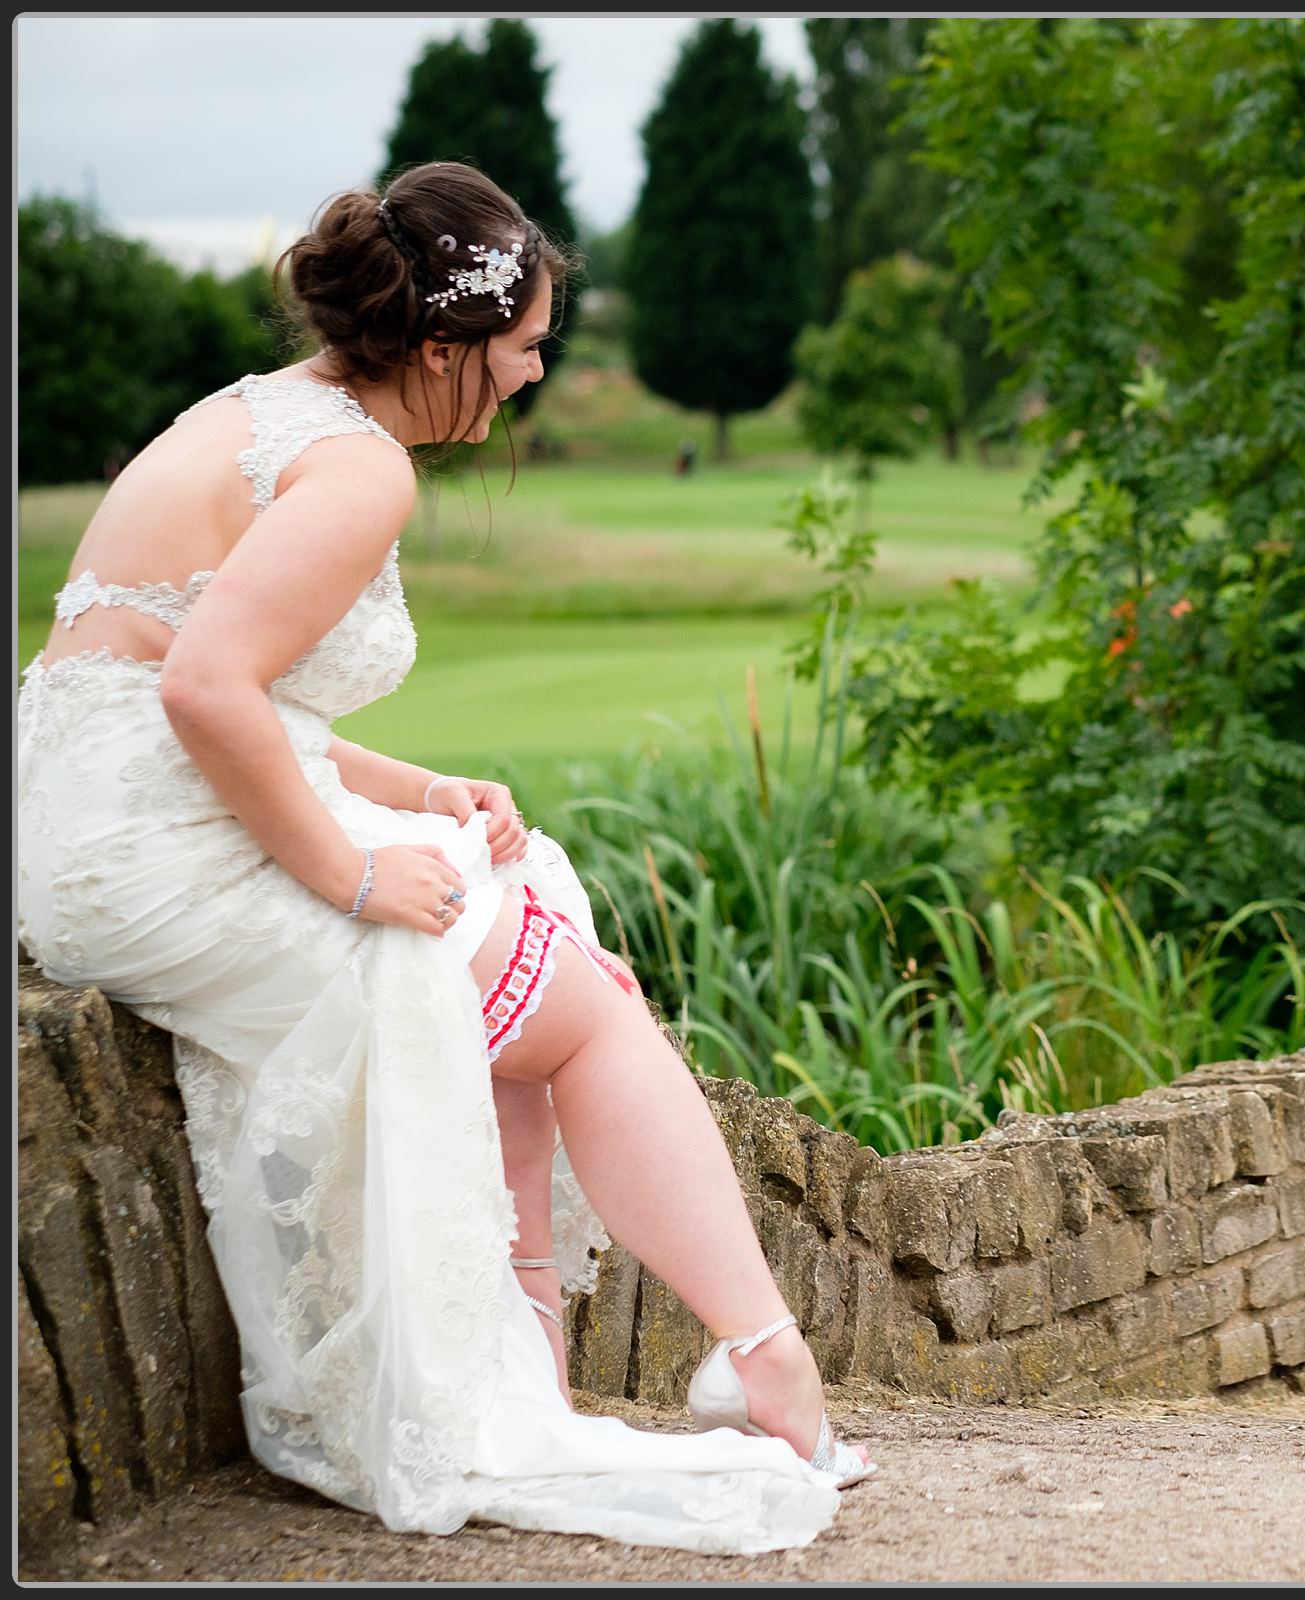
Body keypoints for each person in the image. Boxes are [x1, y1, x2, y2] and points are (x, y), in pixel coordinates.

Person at [15, 162, 871, 1555]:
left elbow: (189, 674)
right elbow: (199, 697)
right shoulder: (356, 470)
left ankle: (533, 1350)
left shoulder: (267, 412)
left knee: (523, 911)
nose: (535, 374)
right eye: (527, 346)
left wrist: (410, 788)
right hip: (149, 850)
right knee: (586, 1009)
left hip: (102, 817)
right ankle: (767, 1356)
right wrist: (350, 876)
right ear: (440, 348)